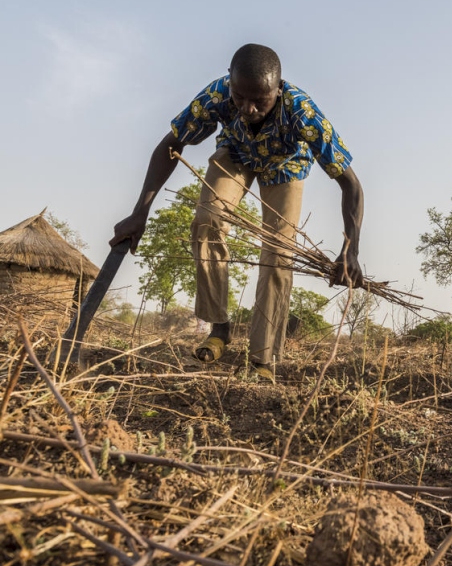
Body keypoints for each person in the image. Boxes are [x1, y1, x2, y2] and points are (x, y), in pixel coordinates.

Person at [111, 43, 363, 367]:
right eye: (240, 97)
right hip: (236, 154)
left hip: (285, 168)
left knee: (278, 252)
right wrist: (139, 213)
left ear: (278, 88)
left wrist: (350, 250)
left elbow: (351, 184)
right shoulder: (217, 96)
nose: (248, 108)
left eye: (261, 100)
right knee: (207, 219)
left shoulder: (303, 111)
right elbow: (170, 145)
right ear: (230, 82)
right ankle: (219, 328)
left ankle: (263, 359)